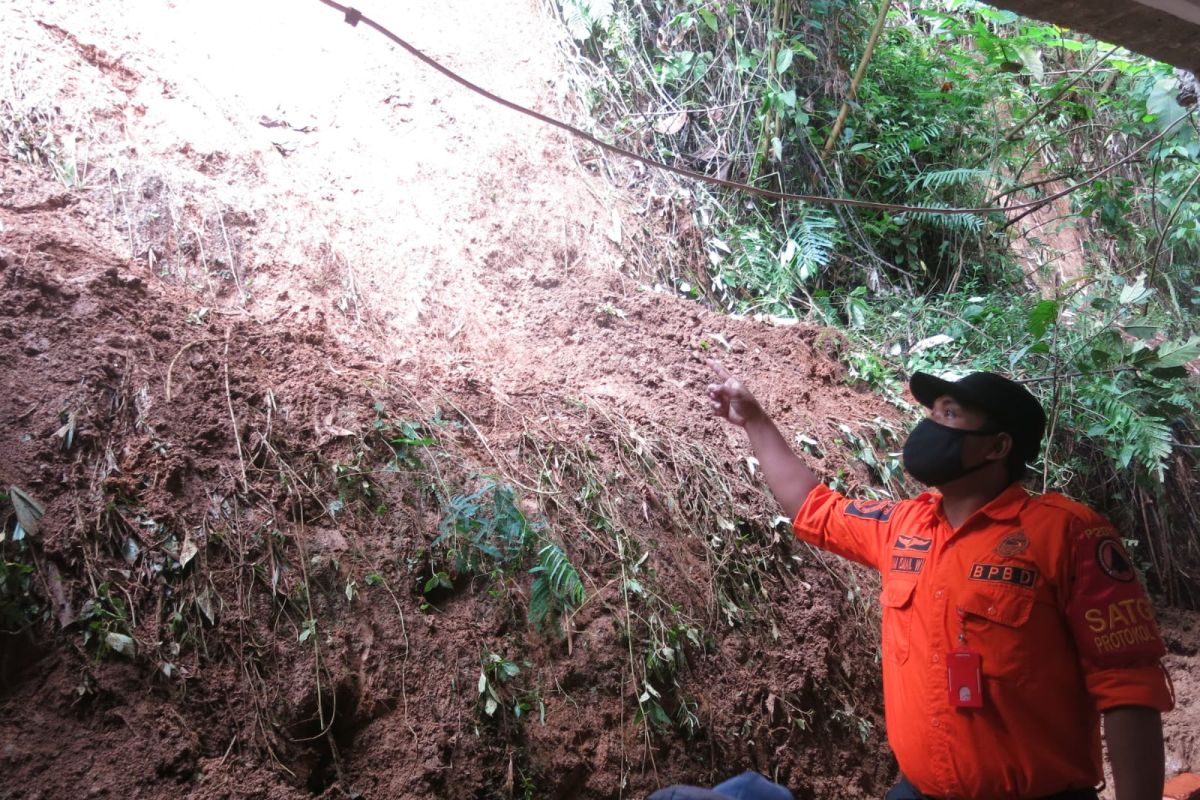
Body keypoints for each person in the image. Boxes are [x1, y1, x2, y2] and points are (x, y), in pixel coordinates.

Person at [703, 362, 1174, 800]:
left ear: (997, 446)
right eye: (931, 412)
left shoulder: (1067, 534)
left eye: (949, 414)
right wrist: (756, 421)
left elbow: (1128, 685)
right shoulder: (903, 525)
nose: (929, 424)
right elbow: (813, 509)